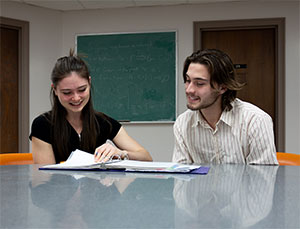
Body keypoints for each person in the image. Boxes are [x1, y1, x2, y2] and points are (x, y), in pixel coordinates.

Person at [30, 50, 152, 164]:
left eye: (82, 90)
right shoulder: (43, 125)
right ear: (55, 90)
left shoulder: (103, 122)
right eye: (67, 92)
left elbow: (146, 157)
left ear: (89, 82)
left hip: (96, 187)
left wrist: (122, 154)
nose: (76, 98)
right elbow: (44, 178)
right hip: (59, 187)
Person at [172, 49, 278, 165]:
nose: (189, 90)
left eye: (200, 83)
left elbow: (262, 179)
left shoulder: (255, 120)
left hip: (244, 184)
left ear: (223, 87)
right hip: (199, 184)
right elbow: (181, 175)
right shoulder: (182, 123)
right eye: (188, 81)